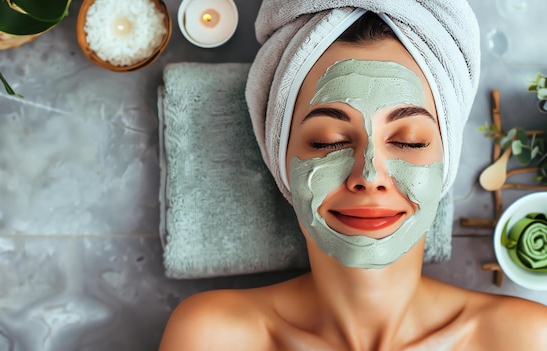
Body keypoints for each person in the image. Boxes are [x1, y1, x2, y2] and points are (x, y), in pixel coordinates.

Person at [159, 3, 547, 350]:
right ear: (279, 162)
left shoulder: (523, 339)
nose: (369, 174)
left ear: (447, 163)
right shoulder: (215, 338)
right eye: (329, 142)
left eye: (409, 141)